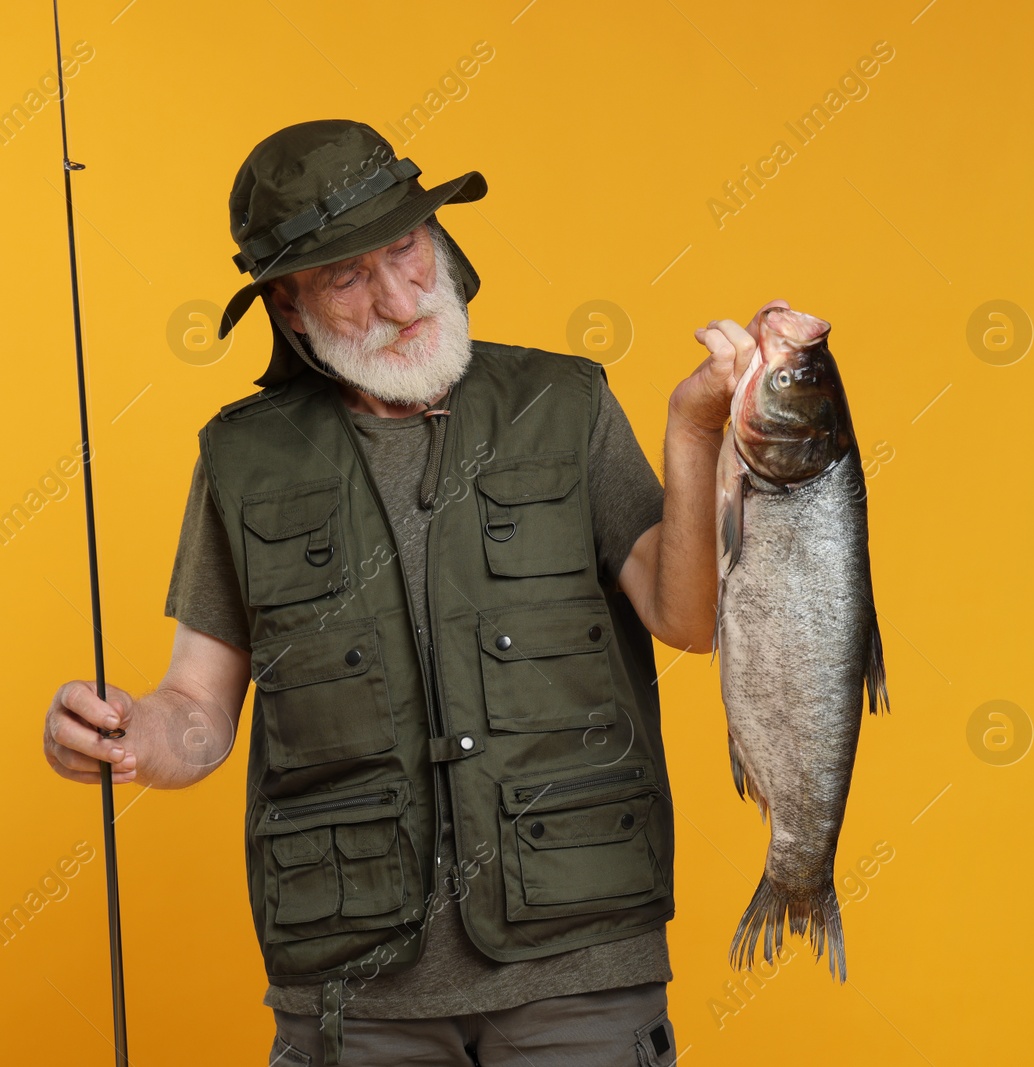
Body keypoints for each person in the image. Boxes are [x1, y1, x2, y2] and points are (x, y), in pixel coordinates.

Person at [40, 118, 780, 1066]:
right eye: (347, 278)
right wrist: (134, 734)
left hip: (578, 972)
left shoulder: (566, 402)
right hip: (354, 997)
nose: (398, 297)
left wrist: (693, 431)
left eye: (405, 249)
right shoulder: (243, 460)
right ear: (290, 309)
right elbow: (199, 708)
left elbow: (686, 621)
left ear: (443, 242)